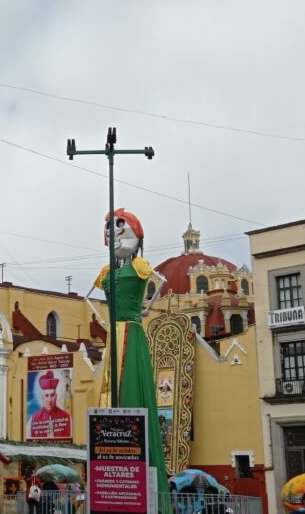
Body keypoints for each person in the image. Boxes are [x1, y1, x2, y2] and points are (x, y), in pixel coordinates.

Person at [87, 207, 169, 497]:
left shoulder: (140, 267)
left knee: (129, 385)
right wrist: (99, 317)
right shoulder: (107, 271)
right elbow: (90, 296)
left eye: (121, 227)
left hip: (131, 331)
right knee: (111, 388)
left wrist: (143, 310)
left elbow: (161, 282)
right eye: (110, 228)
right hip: (114, 333)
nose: (113, 232)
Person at [28, 370, 72, 438]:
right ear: (42, 397)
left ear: (56, 396)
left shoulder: (67, 418)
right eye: (46, 395)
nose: (49, 400)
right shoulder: (33, 419)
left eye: (52, 395)